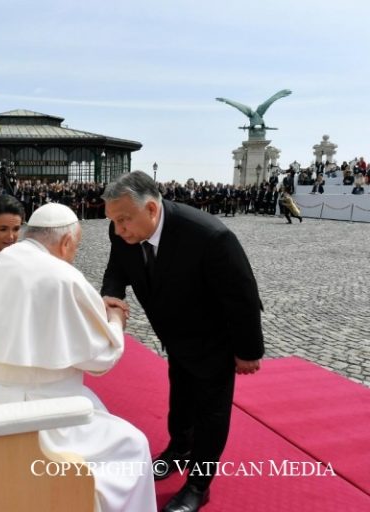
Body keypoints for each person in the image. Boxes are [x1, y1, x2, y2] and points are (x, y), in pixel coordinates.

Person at [0, 203, 156, 511]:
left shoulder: (1, 260)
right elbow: (101, 357)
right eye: (76, 248)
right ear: (66, 242)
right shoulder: (62, 276)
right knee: (132, 446)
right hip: (19, 420)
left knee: (94, 405)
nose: (73, 256)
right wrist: (115, 319)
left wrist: (93, 307)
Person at [100, 172, 264, 512]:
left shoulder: (209, 236)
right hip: (174, 335)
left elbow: (242, 295)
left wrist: (248, 351)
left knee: (210, 413)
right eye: (113, 221)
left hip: (212, 338)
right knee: (181, 398)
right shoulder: (123, 229)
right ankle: (178, 450)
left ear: (151, 209)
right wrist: (111, 295)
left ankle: (198, 484)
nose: (118, 229)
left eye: (124, 220)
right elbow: (118, 266)